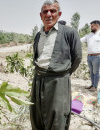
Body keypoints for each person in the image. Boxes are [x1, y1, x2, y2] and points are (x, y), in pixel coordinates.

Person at [30, 0, 82, 130]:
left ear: (59, 14)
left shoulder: (69, 32)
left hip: (58, 80)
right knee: (37, 113)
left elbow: (77, 57)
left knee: (57, 115)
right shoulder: (38, 35)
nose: (49, 14)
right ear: (40, 15)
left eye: (52, 11)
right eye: (45, 11)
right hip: (38, 79)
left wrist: (63, 74)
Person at [80, 20, 100, 92]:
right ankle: (92, 85)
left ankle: (95, 86)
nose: (90, 28)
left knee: (96, 72)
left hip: (97, 57)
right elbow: (80, 40)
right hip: (89, 57)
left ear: (97, 26)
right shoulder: (89, 35)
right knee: (91, 72)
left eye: (92, 26)